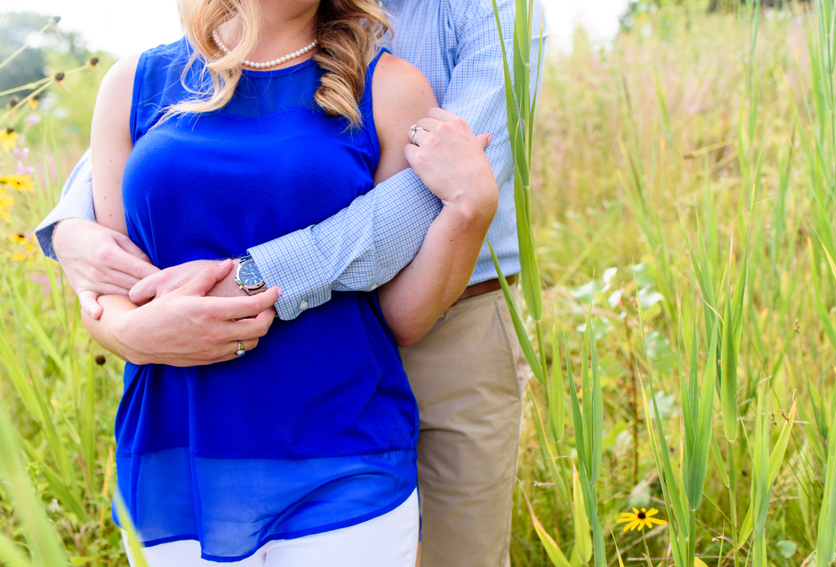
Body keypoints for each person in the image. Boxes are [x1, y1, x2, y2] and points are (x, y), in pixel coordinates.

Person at [36, 1, 547, 565]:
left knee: (459, 553)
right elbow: (141, 150)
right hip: (183, 432)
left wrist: (256, 278)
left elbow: (440, 185)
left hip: (429, 335)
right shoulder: (155, 69)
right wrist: (71, 237)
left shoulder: (453, 34)